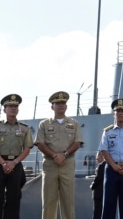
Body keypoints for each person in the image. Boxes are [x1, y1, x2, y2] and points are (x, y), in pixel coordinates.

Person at [34, 91, 84, 219]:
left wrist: (64, 154)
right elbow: (40, 143)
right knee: (49, 201)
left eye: (63, 103)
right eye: (57, 103)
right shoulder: (44, 124)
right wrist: (55, 156)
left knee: (68, 201)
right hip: (50, 165)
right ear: (52, 107)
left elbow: (77, 142)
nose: (61, 105)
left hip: (67, 165)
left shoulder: (74, 124)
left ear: (66, 106)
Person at [0, 94, 33, 219]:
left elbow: (27, 148)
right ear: (4, 109)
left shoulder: (24, 128)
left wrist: (14, 162)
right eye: (10, 106)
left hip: (16, 164)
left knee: (14, 198)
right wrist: (3, 163)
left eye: (15, 106)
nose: (13, 108)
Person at [91, 151, 106, 219]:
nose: (96, 158)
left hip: (99, 194)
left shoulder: (101, 166)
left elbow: (98, 179)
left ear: (102, 156)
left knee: (97, 212)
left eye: (98, 156)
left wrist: (92, 186)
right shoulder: (107, 165)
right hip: (104, 193)